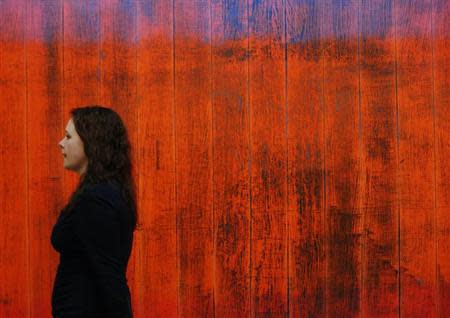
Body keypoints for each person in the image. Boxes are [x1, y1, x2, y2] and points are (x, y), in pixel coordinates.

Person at [51, 105, 137, 317]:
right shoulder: (104, 192)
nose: (61, 143)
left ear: (91, 143)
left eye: (68, 136)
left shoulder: (96, 200)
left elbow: (110, 277)